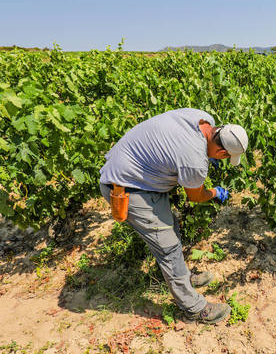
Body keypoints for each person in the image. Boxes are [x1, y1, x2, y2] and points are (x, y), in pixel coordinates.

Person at [99, 108, 248, 324]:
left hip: (137, 172)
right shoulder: (194, 161)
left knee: (172, 228)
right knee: (167, 247)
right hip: (127, 187)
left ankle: (184, 278)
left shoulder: (201, 117)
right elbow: (196, 196)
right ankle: (193, 309)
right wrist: (215, 192)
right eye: (225, 158)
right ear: (223, 154)